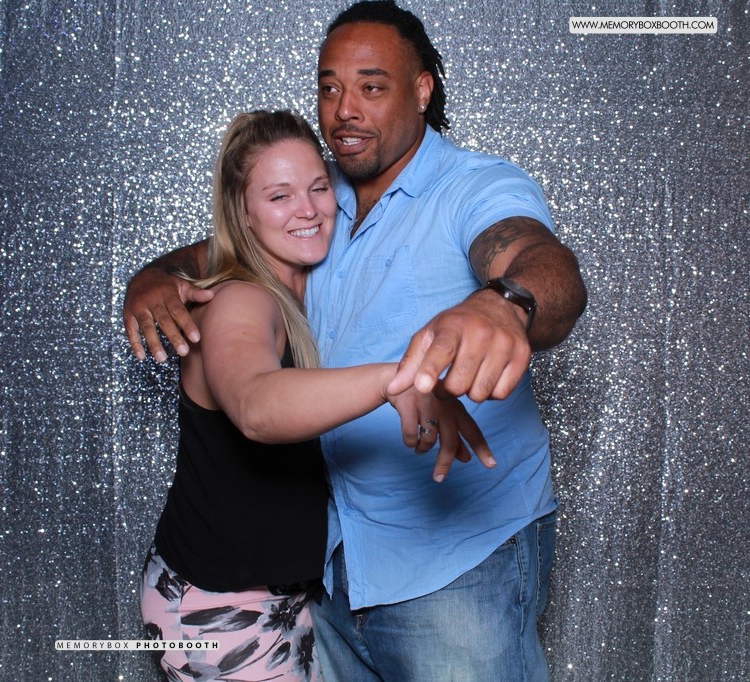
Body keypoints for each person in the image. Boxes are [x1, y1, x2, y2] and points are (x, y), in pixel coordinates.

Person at [125, 2, 588, 680]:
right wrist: (152, 277)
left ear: (422, 90)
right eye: (330, 87)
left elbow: (544, 264)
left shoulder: (473, 188)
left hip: (454, 567)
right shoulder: (322, 201)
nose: (344, 109)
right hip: (333, 572)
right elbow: (231, 246)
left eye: (372, 86)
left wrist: (506, 302)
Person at [138, 109, 492, 682]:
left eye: (319, 187)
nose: (308, 210)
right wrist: (395, 379)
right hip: (219, 606)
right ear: (243, 213)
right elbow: (256, 405)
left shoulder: (315, 281)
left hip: (287, 595)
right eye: (279, 196)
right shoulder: (240, 300)